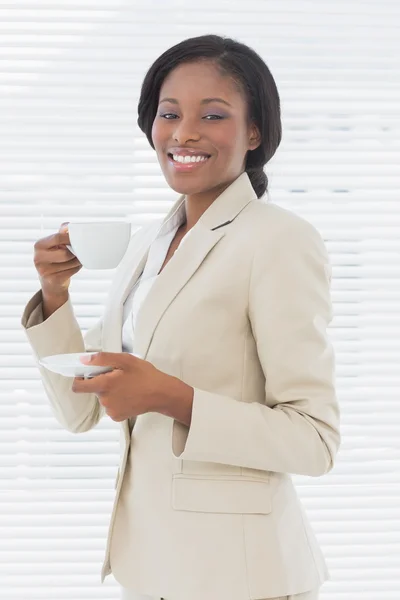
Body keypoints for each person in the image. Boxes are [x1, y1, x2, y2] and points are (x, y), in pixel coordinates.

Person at [21, 34, 340, 600]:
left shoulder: (279, 240)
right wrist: (54, 295)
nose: (184, 132)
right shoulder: (147, 243)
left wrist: (171, 397)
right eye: (169, 114)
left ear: (254, 133)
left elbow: (314, 440)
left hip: (242, 579)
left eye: (212, 115)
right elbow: (78, 410)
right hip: (149, 571)